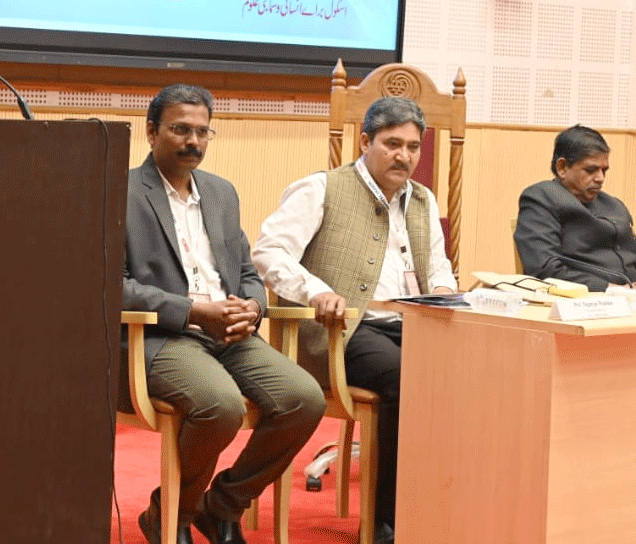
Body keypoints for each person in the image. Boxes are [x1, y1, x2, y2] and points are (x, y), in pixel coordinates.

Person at [251, 96, 458, 544]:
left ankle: (441, 510)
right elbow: (268, 252)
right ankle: (387, 525)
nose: (404, 156)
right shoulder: (321, 188)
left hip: (410, 325)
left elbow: (439, 266)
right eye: (392, 144)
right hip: (340, 332)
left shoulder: (422, 199)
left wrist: (444, 291)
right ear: (365, 142)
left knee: (465, 370)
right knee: (408, 376)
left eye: (413, 147)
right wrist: (316, 291)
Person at [123, 84, 324, 544]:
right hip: (163, 335)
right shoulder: (122, 190)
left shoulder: (220, 192)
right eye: (180, 129)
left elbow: (247, 271)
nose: (193, 141)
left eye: (202, 131)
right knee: (220, 405)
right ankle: (173, 515)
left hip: (230, 333)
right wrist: (193, 310)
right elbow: (113, 285)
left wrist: (252, 306)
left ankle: (223, 506)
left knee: (304, 399)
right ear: (151, 131)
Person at [513, 125, 636, 292]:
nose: (600, 178)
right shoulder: (540, 198)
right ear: (562, 168)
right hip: (586, 299)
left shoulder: (615, 205)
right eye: (591, 170)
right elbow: (545, 268)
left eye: (604, 170)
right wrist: (615, 290)